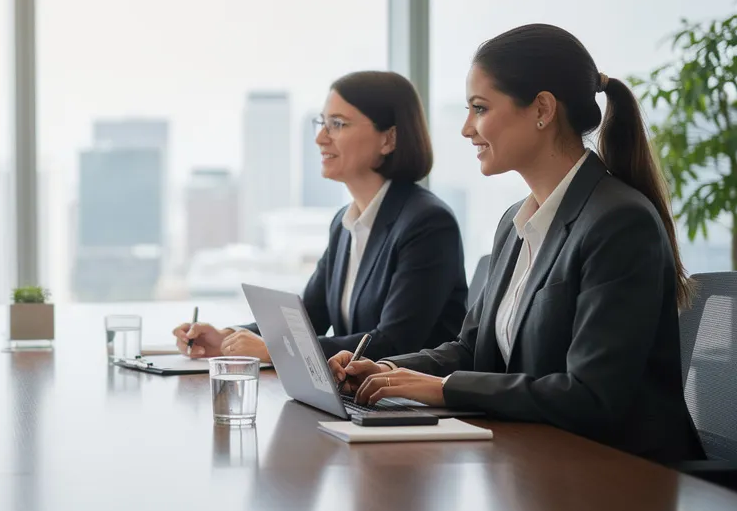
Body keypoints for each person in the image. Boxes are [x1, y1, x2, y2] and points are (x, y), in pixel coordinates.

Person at [330, 24, 704, 463]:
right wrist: (393, 370)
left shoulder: (619, 222)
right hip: (536, 461)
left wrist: (442, 389)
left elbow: (591, 395)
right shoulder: (515, 222)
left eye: (480, 108)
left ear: (542, 109)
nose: (467, 128)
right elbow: (473, 349)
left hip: (619, 476)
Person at [174, 71, 467, 363]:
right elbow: (305, 322)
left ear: (388, 139)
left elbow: (394, 343)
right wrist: (226, 338)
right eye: (322, 123)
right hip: (359, 400)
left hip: (413, 404)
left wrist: (278, 352)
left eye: (337, 124)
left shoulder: (427, 223)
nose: (320, 138)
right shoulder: (345, 224)